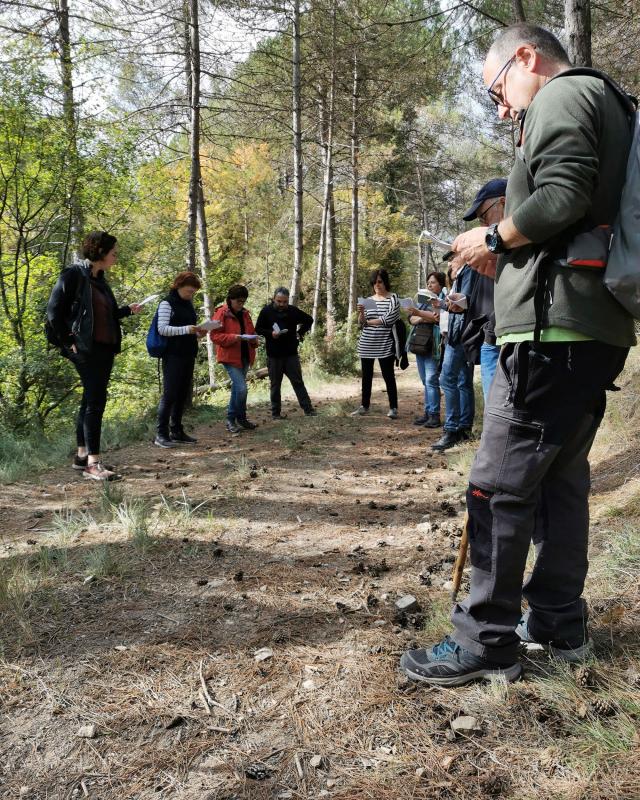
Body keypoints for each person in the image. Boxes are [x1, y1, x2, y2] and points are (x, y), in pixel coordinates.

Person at [400, 24, 635, 686]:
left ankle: (484, 641)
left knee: (499, 487)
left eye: (498, 88)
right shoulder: (609, 102)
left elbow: (560, 194)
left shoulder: (562, 96)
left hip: (549, 330)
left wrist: (492, 241)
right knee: (560, 484)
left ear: (527, 57)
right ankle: (559, 622)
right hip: (594, 328)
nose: (503, 107)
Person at [46, 231, 142, 481]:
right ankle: (93, 463)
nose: (116, 256)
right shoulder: (73, 275)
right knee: (96, 401)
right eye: (113, 252)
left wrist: (127, 311)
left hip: (104, 348)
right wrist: (68, 341)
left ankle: (81, 457)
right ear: (100, 253)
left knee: (90, 399)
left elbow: (103, 316)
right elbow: (53, 312)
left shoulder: (100, 280)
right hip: (84, 349)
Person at [459, 179, 506, 401]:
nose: (481, 225)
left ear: (504, 203)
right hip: (493, 335)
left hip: (509, 342)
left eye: (484, 216)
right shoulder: (494, 250)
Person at [431, 256, 478, 451]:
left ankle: (452, 429)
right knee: (463, 382)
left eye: (453, 259)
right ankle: (464, 428)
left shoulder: (468, 272)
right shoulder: (466, 274)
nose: (449, 264)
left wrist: (445, 303)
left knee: (447, 378)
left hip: (459, 335)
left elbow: (462, 304)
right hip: (462, 333)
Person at [154, 271, 206, 448]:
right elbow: (162, 329)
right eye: (189, 291)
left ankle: (176, 430)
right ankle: (161, 434)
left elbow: (190, 330)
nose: (191, 294)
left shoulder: (188, 304)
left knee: (182, 393)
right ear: (179, 286)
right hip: (173, 354)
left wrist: (199, 333)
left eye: (193, 292)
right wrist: (187, 329)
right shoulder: (166, 303)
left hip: (188, 352)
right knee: (170, 394)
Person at [255, 287, 316, 419]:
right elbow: (258, 328)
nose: (282, 304)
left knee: (298, 382)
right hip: (274, 355)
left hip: (290, 354)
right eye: (279, 301)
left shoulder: (293, 311)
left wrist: (300, 333)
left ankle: (308, 410)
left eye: (284, 302)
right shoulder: (266, 311)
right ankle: (276, 413)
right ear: (273, 299)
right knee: (275, 385)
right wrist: (270, 334)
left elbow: (309, 320)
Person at [351, 268, 400, 419]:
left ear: (385, 282)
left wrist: (369, 322)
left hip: (385, 344)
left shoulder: (393, 298)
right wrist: (361, 313)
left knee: (388, 376)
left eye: (380, 281)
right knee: (366, 376)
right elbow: (361, 324)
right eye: (374, 282)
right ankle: (364, 406)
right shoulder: (368, 300)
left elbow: (389, 319)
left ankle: (393, 407)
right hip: (367, 343)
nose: (377, 285)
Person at [211, 284, 260, 434]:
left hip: (245, 355)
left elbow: (251, 331)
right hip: (230, 357)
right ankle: (231, 420)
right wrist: (235, 337)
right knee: (241, 388)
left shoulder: (245, 313)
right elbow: (214, 336)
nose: (241, 304)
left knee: (237, 390)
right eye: (238, 301)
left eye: (243, 301)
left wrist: (254, 339)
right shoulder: (221, 313)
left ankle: (241, 419)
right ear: (230, 299)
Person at [405, 271, 446, 428]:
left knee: (431, 380)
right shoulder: (423, 300)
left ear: (441, 284)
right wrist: (422, 316)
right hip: (420, 343)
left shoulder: (441, 300)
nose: (429, 285)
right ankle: (428, 412)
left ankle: (434, 415)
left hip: (433, 344)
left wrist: (420, 316)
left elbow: (437, 317)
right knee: (424, 380)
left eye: (433, 282)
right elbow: (412, 319)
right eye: (428, 282)